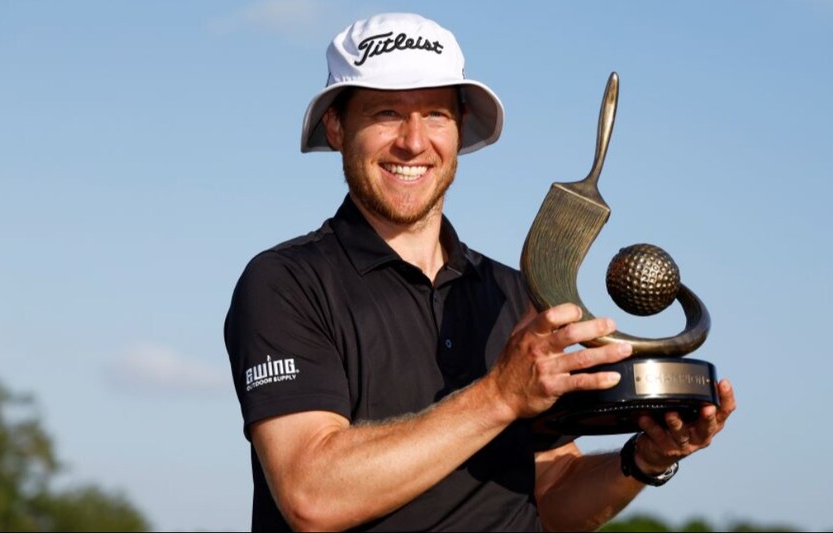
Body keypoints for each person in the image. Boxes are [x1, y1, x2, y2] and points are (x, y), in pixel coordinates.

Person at [224, 12, 735, 532]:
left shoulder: (512, 293)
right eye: (385, 113)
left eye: (435, 115)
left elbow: (551, 492)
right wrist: (498, 396)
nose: (413, 141)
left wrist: (644, 461)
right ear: (337, 127)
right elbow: (311, 494)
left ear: (460, 128)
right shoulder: (285, 282)